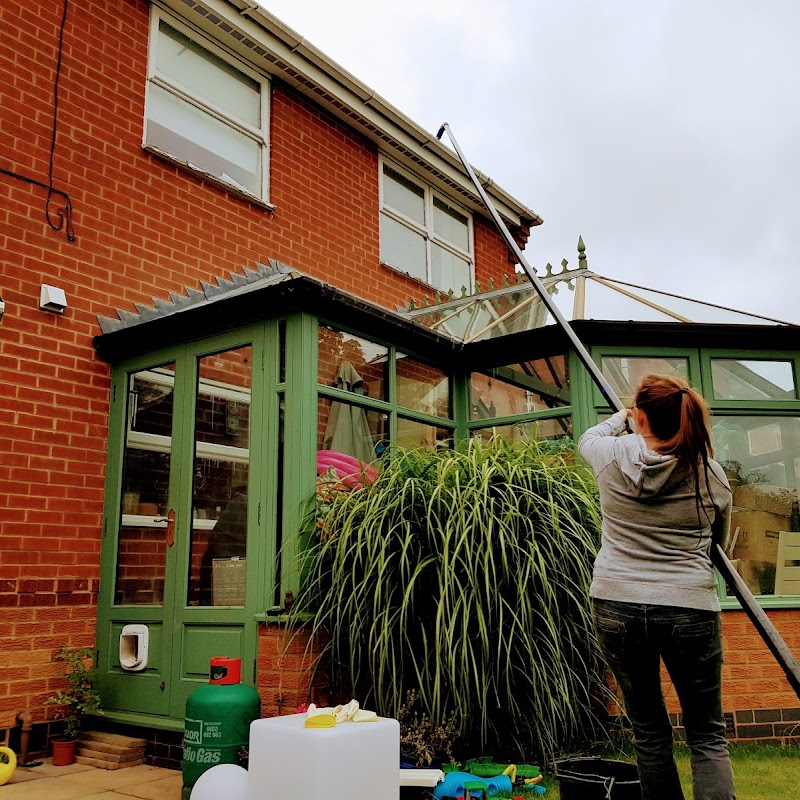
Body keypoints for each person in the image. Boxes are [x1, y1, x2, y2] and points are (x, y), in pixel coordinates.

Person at [578, 373, 735, 800]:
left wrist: (622, 418)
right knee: (707, 735)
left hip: (616, 604)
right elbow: (714, 545)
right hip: (689, 606)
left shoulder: (609, 454)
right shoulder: (711, 476)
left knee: (648, 728)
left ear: (641, 416)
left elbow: (588, 436)